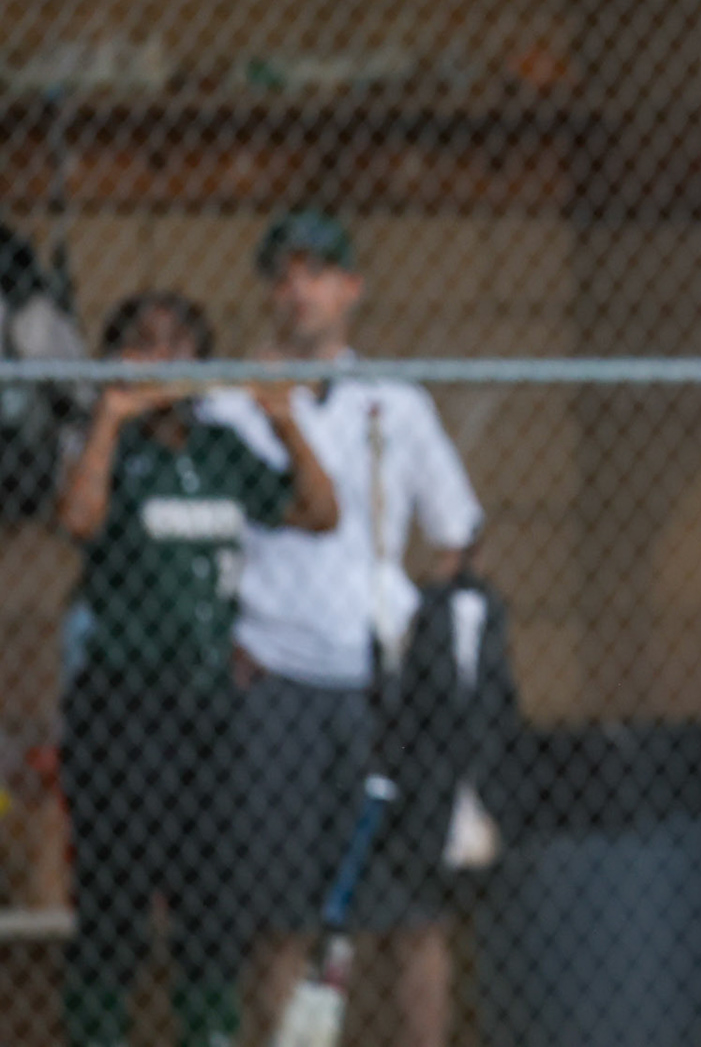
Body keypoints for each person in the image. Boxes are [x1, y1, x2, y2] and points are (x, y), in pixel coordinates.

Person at [199, 212, 483, 1047]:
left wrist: (426, 635)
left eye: (318, 272)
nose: (300, 291)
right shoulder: (230, 403)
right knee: (281, 913)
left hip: (376, 674)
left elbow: (456, 529)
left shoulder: (396, 402)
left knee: (412, 909)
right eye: (284, 274)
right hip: (274, 668)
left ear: (351, 288)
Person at [56, 291, 337, 1047]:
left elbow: (321, 512)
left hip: (209, 703)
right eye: (145, 342)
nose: (165, 357)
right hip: (124, 702)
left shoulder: (219, 449)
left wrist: (283, 420)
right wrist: (111, 415)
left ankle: (208, 1032)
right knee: (115, 890)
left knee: (211, 894)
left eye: (180, 342)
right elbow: (78, 519)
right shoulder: (109, 445)